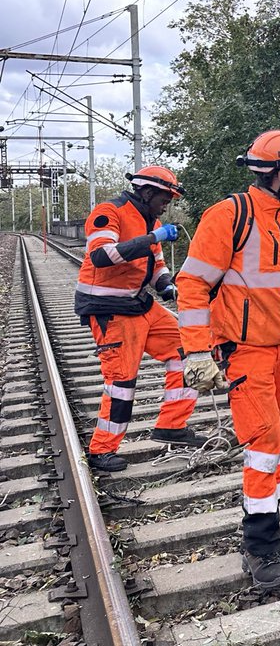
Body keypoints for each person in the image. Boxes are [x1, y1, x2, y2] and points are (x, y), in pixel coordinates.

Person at [175, 130, 280, 592]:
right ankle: (259, 545)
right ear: (279, 173)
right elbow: (192, 287)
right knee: (264, 442)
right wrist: (195, 351)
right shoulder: (228, 216)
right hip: (246, 351)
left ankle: (267, 523)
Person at [75, 165, 200, 472]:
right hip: (109, 309)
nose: (167, 203)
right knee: (121, 382)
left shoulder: (151, 221)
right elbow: (101, 256)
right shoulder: (109, 212)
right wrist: (151, 237)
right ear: (146, 192)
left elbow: (156, 266)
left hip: (139, 304)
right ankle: (101, 450)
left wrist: (167, 286)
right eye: (164, 197)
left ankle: (172, 424)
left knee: (188, 348)